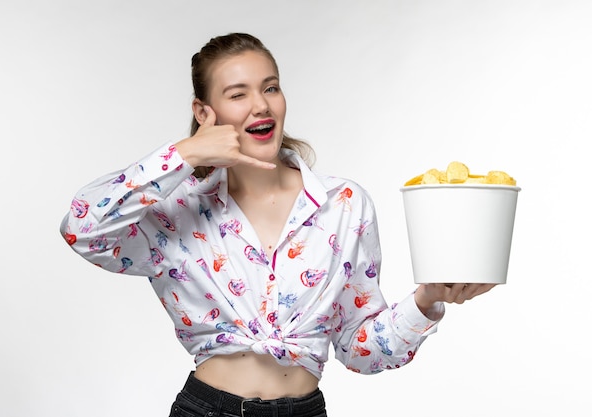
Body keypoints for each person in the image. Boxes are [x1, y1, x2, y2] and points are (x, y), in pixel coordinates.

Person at [59, 32, 496, 417]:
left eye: (270, 87)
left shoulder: (342, 205)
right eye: (238, 94)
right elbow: (83, 228)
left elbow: (360, 352)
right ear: (204, 111)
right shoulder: (175, 211)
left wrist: (426, 299)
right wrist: (186, 154)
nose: (261, 105)